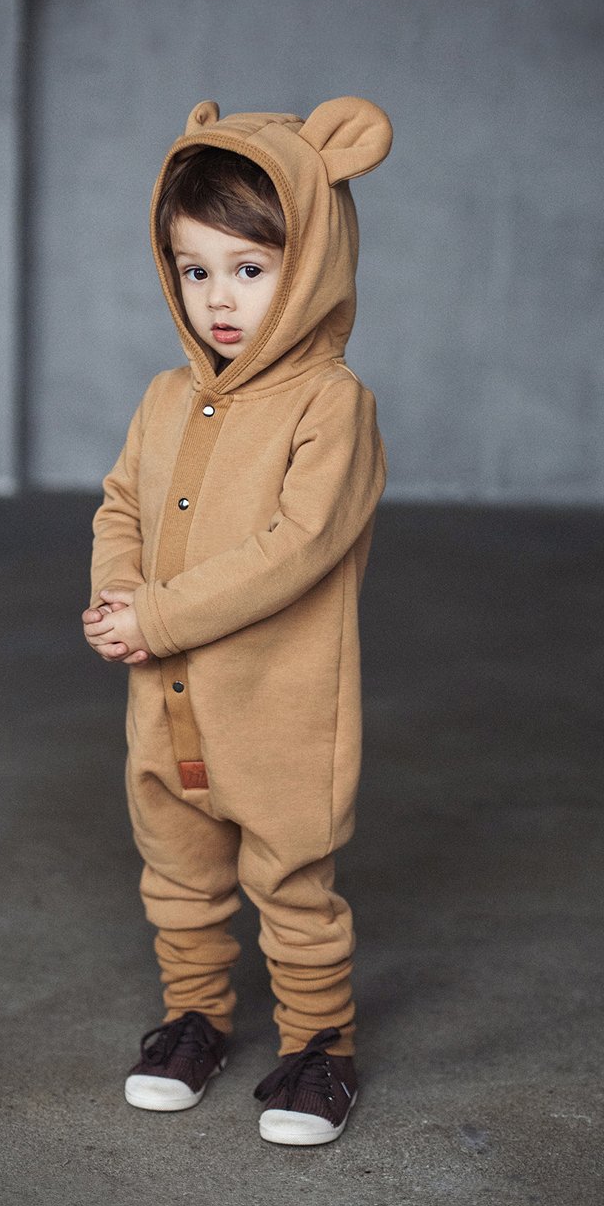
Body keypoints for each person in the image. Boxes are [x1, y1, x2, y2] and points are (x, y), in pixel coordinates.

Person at [83, 97, 392, 1145]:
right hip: (163, 708)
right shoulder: (166, 396)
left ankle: (319, 1046)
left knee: (290, 880)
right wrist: (117, 598)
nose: (219, 297)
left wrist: (158, 614)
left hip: (278, 710)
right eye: (194, 267)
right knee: (178, 871)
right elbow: (122, 502)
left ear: (307, 266)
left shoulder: (330, 405)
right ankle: (193, 1020)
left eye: (250, 269)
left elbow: (296, 548)